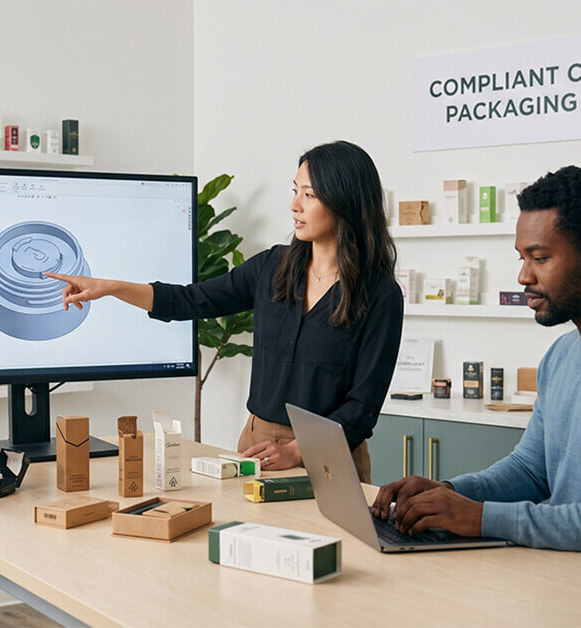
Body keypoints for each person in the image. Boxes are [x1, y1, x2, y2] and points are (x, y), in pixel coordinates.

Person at [48, 140, 403, 478]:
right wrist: (108, 288)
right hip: (256, 444)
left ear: (346, 202)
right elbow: (190, 299)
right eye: (294, 191)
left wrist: (298, 451)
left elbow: (362, 407)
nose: (294, 205)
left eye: (309, 195)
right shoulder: (271, 268)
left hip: (328, 453)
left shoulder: (381, 295)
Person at [371, 164, 581, 562]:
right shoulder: (561, 356)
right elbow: (533, 470)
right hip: (572, 578)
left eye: (540, 258)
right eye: (522, 258)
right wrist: (447, 493)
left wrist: (481, 518)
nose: (523, 276)